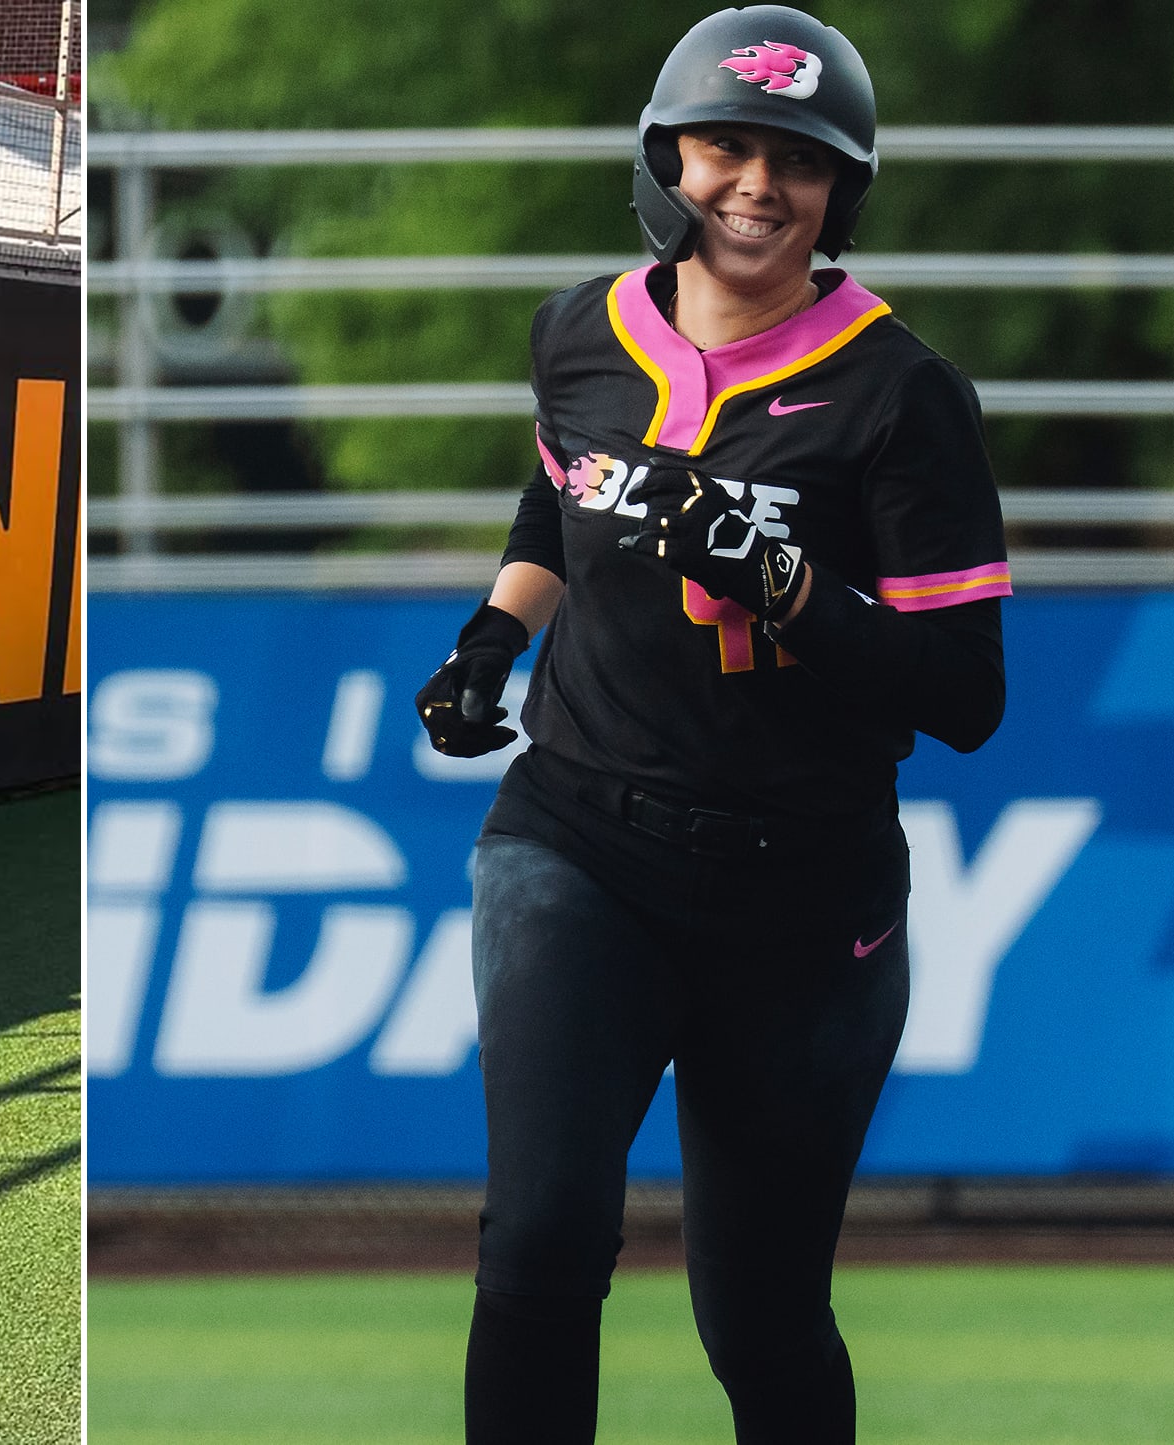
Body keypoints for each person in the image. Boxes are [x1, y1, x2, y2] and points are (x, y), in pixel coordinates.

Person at [413, 8, 1009, 1442]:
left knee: (762, 1317)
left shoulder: (902, 394)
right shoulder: (579, 330)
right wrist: (494, 634)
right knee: (542, 1240)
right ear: (666, 160)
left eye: (796, 159)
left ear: (840, 187)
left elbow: (964, 696)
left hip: (805, 891)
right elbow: (563, 492)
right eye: (726, 146)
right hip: (580, 838)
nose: (755, 183)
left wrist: (781, 578)